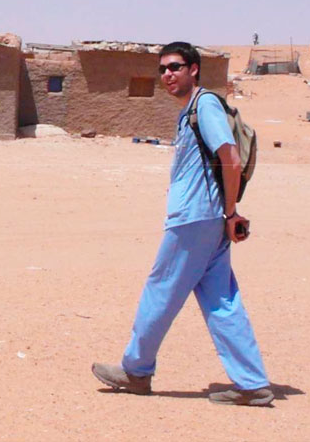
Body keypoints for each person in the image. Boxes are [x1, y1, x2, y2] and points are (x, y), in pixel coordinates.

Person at [91, 41, 273, 406]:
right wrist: (227, 215)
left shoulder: (204, 105)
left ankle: (136, 371)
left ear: (193, 69)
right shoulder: (193, 109)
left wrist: (231, 211)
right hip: (208, 219)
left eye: (174, 67)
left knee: (161, 290)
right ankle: (252, 383)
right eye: (162, 70)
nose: (167, 75)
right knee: (222, 300)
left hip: (195, 218)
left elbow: (230, 159)